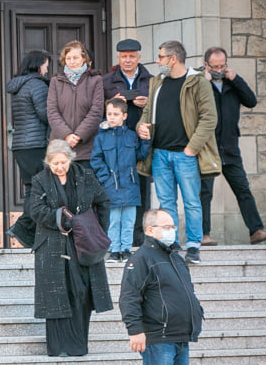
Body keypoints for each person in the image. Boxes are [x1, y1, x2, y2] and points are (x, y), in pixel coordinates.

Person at [110, 209, 204, 365]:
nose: (171, 230)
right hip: (156, 335)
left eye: (172, 225)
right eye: (166, 226)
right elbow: (129, 297)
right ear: (150, 230)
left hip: (180, 335)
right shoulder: (141, 258)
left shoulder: (174, 256)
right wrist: (135, 330)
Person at [137, 40, 220, 265]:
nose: (157, 61)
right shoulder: (157, 82)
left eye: (161, 57)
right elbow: (147, 113)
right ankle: (171, 244)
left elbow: (209, 118)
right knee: (166, 203)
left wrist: (192, 148)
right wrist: (141, 127)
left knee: (192, 201)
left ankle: (193, 246)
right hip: (160, 154)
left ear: (173, 59)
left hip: (186, 155)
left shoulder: (198, 82)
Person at [29, 140, 112, 357]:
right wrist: (62, 221)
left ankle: (77, 346)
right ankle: (57, 348)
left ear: (70, 159)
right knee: (55, 295)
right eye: (54, 163)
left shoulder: (85, 176)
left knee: (81, 292)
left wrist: (97, 231)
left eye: (63, 162)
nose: (59, 167)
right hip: (51, 245)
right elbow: (35, 210)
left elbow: (103, 201)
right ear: (48, 162)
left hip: (82, 244)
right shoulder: (40, 180)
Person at [199, 47, 266, 246]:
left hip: (230, 148)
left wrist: (236, 79)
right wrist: (203, 83)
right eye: (214, 66)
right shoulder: (199, 82)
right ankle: (203, 234)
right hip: (208, 149)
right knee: (205, 193)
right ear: (206, 65)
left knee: (243, 189)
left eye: (222, 65)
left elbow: (251, 101)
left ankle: (256, 230)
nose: (219, 69)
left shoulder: (232, 83)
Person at [101, 38, 153, 247]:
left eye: (132, 56)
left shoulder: (150, 80)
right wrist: (112, 102)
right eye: (124, 56)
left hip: (141, 142)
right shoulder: (106, 81)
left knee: (140, 189)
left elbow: (160, 109)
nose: (128, 60)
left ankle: (138, 238)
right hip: (115, 144)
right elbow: (98, 111)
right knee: (113, 190)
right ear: (118, 57)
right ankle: (114, 241)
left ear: (139, 57)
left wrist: (146, 103)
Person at [90, 98, 150, 262]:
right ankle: (114, 249)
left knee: (129, 221)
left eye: (116, 114)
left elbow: (140, 155)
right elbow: (96, 159)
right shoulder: (101, 138)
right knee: (114, 221)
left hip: (130, 185)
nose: (111, 117)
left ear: (124, 116)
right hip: (111, 186)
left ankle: (126, 249)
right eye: (109, 114)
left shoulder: (131, 135)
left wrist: (146, 141)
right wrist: (105, 178)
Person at [5, 50, 50, 248]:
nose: (47, 69)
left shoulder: (19, 86)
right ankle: (23, 227)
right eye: (46, 65)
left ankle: (28, 232)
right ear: (38, 65)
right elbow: (44, 114)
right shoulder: (37, 85)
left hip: (21, 145)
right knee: (40, 189)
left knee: (32, 188)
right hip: (36, 144)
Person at [46, 41, 104, 170]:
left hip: (87, 147)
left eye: (75, 58)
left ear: (84, 58)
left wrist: (78, 135)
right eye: (68, 58)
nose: (72, 61)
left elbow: (96, 111)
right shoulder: (56, 81)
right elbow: (52, 111)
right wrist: (66, 135)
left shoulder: (95, 80)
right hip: (60, 147)